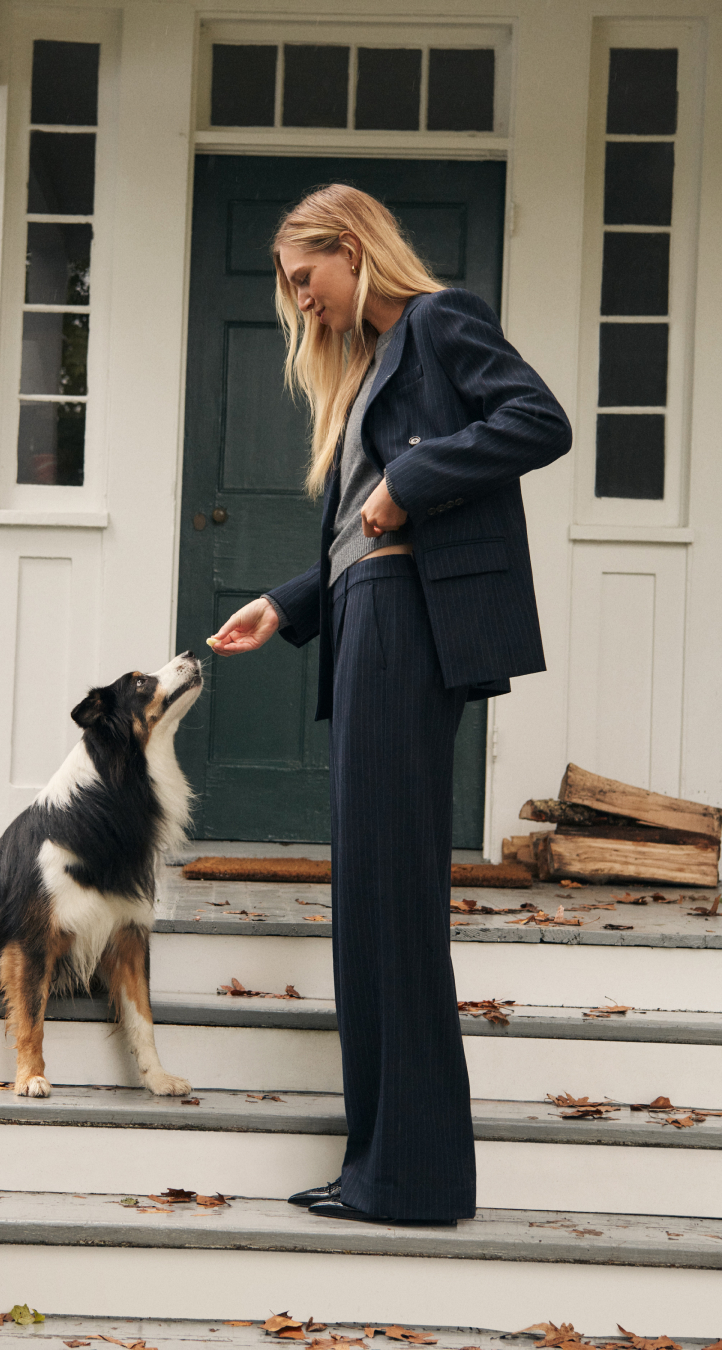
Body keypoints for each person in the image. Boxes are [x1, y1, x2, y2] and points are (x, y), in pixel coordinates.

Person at [207, 184, 571, 1226]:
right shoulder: (367, 369)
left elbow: (541, 422)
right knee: (368, 902)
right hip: (365, 613)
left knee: (394, 902)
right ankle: (380, 1163)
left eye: (303, 278)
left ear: (351, 246)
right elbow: (354, 538)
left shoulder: (440, 320)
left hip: (410, 623)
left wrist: (413, 477)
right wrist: (283, 606)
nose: (300, 303)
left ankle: (409, 1177)